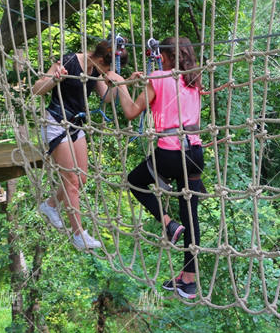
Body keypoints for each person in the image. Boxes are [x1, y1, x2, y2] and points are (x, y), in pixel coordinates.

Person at [110, 37, 226, 299]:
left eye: (162, 55)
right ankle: (189, 280)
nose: (159, 59)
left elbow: (130, 112)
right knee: (191, 215)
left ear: (168, 56)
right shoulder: (194, 80)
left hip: (171, 154)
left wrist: (121, 84)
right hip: (195, 154)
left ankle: (167, 223)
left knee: (135, 181)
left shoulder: (159, 77)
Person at [32, 40, 128, 250]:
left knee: (81, 179)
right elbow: (36, 89)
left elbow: (107, 97)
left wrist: (122, 83)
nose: (108, 72)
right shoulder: (69, 61)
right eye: (108, 68)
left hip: (76, 125)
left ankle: (50, 205)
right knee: (72, 182)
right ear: (102, 59)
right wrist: (55, 79)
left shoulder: (95, 69)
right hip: (57, 123)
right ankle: (79, 235)